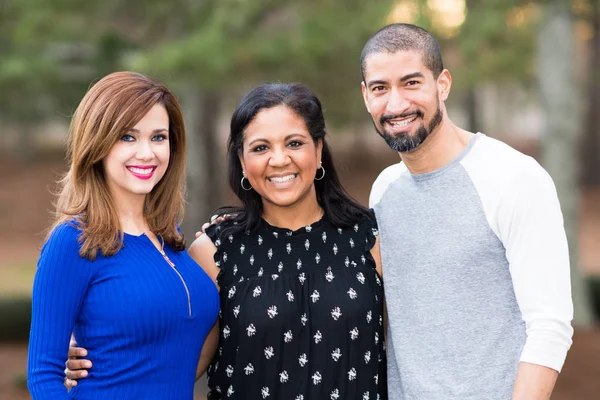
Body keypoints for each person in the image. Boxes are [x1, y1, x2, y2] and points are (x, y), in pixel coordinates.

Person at [64, 82, 388, 399]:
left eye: (294, 143)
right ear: (243, 164)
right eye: (261, 148)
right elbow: (177, 363)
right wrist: (95, 362)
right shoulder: (214, 252)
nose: (278, 159)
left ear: (318, 151)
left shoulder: (372, 238)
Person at [362, 24, 573, 399]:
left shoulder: (513, 178)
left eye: (411, 83)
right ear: (366, 96)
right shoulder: (384, 191)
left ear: (442, 84)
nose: (395, 105)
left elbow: (550, 327)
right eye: (381, 88)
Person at [27, 71, 220, 400]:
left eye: (158, 137)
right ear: (98, 144)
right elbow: (44, 376)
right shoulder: (73, 241)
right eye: (128, 137)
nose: (146, 153)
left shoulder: (169, 236)